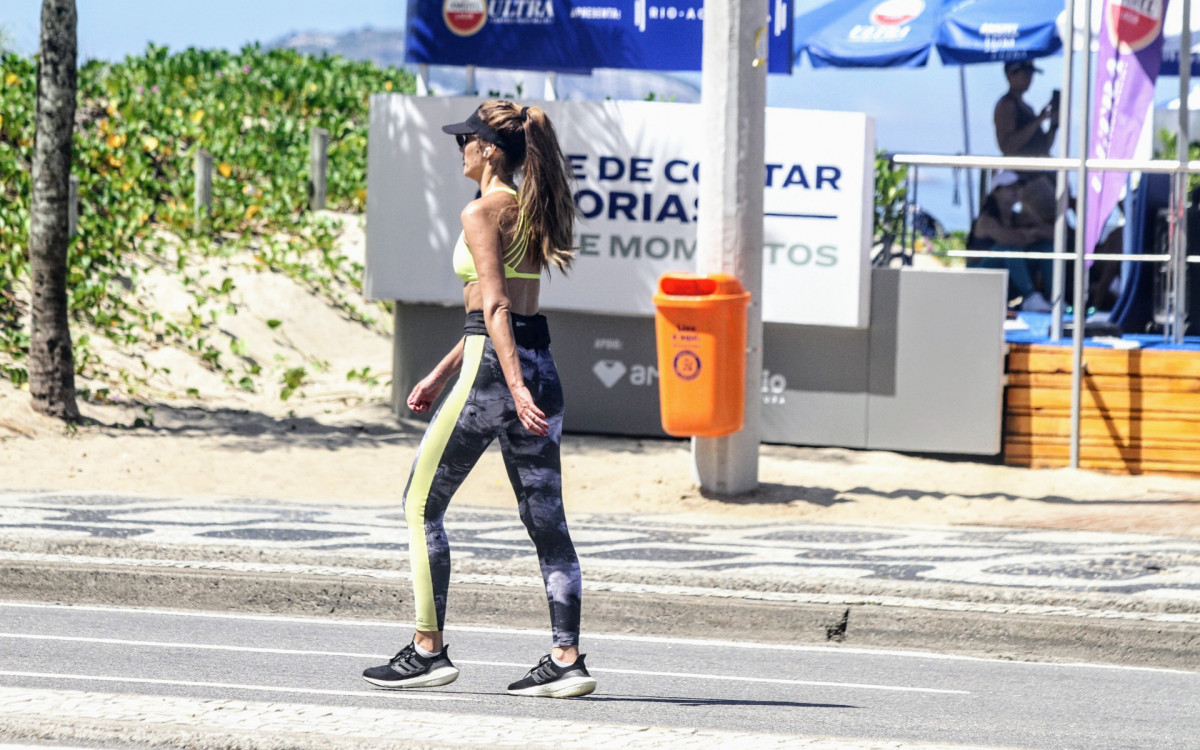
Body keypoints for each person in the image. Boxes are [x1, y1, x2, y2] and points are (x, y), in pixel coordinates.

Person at [362, 101, 596, 699]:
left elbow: (494, 310)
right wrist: (444, 371)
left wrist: (508, 386)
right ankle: (567, 660)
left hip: (499, 372)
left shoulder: (480, 211)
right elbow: (501, 309)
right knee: (547, 521)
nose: (459, 149)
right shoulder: (532, 206)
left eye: (464, 139)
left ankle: (426, 650)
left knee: (420, 505)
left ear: (489, 148)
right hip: (538, 364)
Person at [967, 170, 1055, 312]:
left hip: (1008, 281)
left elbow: (1054, 235)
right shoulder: (986, 220)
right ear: (996, 192)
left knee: (1046, 248)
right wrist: (1029, 234)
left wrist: (1035, 230)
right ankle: (1030, 296)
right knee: (1009, 250)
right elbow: (1009, 240)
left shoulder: (1021, 217)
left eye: (1018, 187)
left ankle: (1054, 297)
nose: (1016, 191)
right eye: (1010, 188)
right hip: (982, 280)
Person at [993, 60, 1059, 161]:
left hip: (1034, 170)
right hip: (1016, 171)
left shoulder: (1028, 108)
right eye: (1025, 74)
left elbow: (1043, 147)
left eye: (1030, 74)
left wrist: (1053, 125)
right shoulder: (1006, 105)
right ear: (1011, 75)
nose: (1029, 78)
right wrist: (1039, 120)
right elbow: (1007, 146)